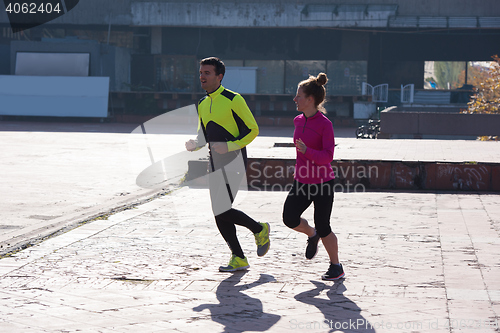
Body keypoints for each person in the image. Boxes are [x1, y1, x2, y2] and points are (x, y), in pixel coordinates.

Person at [185, 57, 270, 272]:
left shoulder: (234, 99)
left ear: (219, 76)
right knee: (219, 211)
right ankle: (240, 256)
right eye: (201, 72)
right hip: (214, 163)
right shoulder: (203, 103)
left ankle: (258, 230)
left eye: (207, 73)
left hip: (234, 160)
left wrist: (231, 146)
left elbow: (253, 129)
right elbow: (203, 134)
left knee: (221, 209)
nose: (202, 76)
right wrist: (195, 144)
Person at [282, 72, 345, 281]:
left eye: (298, 96)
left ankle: (336, 266)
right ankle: (311, 234)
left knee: (324, 225)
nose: (295, 99)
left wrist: (307, 151)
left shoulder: (325, 124)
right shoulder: (297, 120)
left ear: (310, 100)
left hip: (322, 183)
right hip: (301, 181)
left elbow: (328, 156)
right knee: (289, 218)